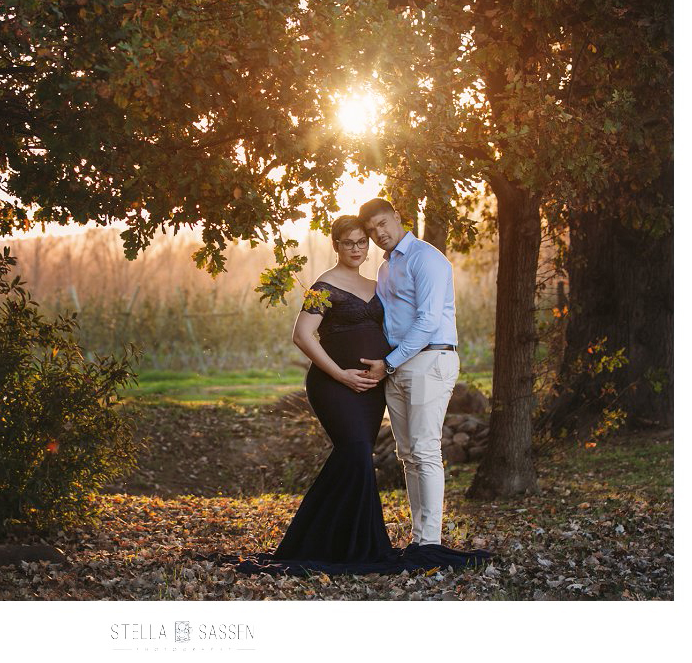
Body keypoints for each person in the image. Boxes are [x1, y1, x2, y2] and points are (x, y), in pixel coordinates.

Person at [198, 214, 489, 576]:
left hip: (372, 387)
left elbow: (406, 321)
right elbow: (302, 335)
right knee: (355, 452)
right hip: (335, 385)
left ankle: (344, 541)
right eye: (349, 242)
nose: (357, 248)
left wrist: (391, 365)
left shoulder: (379, 282)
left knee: (360, 457)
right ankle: (342, 543)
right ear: (336, 245)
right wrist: (339, 374)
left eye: (362, 242)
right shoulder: (324, 285)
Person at [356, 197, 466, 553]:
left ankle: (430, 542)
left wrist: (389, 362)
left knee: (425, 450)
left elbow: (428, 320)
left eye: (383, 224)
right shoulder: (386, 268)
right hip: (398, 364)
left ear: (398, 217)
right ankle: (420, 539)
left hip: (430, 359)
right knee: (408, 454)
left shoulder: (426, 258)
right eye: (371, 230)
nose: (379, 234)